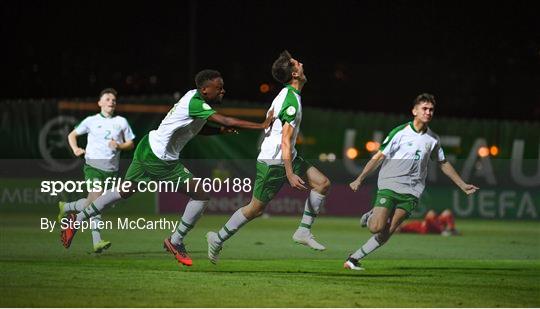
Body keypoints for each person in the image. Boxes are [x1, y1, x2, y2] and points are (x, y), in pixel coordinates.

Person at [60, 69, 274, 267]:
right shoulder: (197, 103)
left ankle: (75, 220)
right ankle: (176, 240)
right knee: (201, 195)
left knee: (123, 191)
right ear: (205, 89)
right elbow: (225, 119)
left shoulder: (194, 98)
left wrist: (219, 131)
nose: (223, 90)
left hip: (148, 145)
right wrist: (261, 125)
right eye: (219, 87)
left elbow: (194, 130)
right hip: (160, 159)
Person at [206, 50, 331, 264]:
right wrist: (290, 173)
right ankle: (217, 239)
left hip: (287, 156)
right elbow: (284, 139)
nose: (301, 64)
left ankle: (303, 232)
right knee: (255, 209)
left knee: (322, 183)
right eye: (296, 63)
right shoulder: (291, 101)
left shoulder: (287, 95)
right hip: (275, 162)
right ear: (294, 74)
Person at [344, 93, 479, 270]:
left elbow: (443, 163)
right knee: (376, 227)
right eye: (424, 108)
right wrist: (359, 178)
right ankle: (371, 216)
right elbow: (377, 157)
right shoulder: (399, 132)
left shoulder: (433, 139)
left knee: (387, 232)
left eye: (431, 109)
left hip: (412, 191)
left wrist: (462, 184)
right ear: (414, 111)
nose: (428, 112)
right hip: (390, 184)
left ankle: (353, 259)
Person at [57, 88, 135, 253]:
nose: (111, 102)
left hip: (111, 171)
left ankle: (68, 207)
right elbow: (72, 135)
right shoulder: (90, 120)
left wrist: (119, 145)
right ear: (99, 103)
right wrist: (76, 149)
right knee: (98, 202)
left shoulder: (121, 121)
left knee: (91, 203)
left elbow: (131, 143)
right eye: (107, 99)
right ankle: (97, 241)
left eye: (113, 100)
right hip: (93, 167)